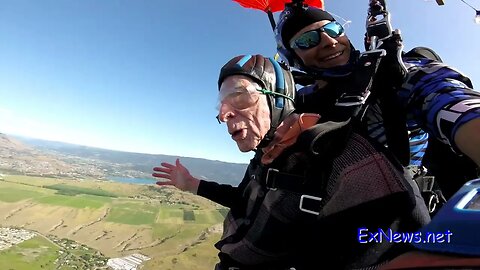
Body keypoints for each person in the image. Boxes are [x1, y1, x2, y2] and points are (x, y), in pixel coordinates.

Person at [152, 54, 430, 269]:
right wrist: (193, 184)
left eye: (239, 97)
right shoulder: (267, 153)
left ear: (279, 98)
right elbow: (245, 201)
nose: (224, 114)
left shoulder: (343, 156)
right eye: (221, 106)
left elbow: (405, 247)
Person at [273, 3, 480, 203]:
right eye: (308, 40)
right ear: (292, 57)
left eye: (334, 29)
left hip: (404, 222)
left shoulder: (395, 76)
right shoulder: (299, 102)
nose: (330, 41)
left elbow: (448, 97)